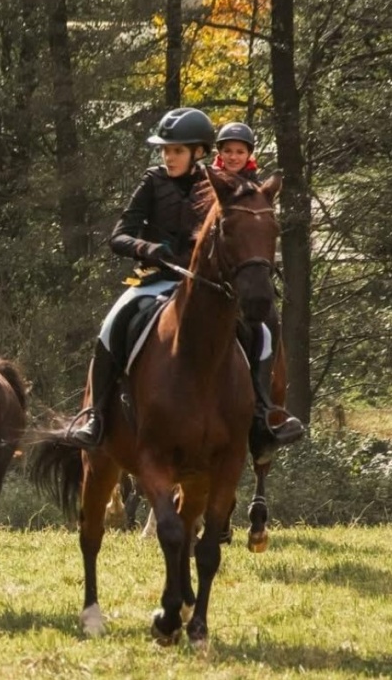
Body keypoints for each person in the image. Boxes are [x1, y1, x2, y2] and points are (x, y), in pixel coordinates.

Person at [67, 109, 304, 455]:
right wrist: (148, 248)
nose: (168, 157)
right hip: (155, 281)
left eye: (176, 150)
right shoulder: (152, 181)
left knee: (263, 331)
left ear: (199, 152)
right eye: (165, 150)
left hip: (207, 290)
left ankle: (264, 411)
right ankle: (96, 415)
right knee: (110, 326)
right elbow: (119, 237)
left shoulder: (223, 186)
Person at [213, 121, 306, 459]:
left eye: (240, 151)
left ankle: (264, 408)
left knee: (267, 328)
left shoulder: (258, 188)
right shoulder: (207, 183)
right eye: (228, 151)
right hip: (210, 277)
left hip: (246, 281)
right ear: (219, 154)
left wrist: (262, 267)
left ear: (249, 155)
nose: (233, 156)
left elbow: (262, 234)